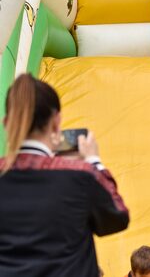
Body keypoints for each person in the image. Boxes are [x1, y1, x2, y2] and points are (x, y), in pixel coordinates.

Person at [0, 73, 129, 277]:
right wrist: (94, 162)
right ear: (55, 123)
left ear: (6, 123)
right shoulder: (81, 176)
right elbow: (116, 218)